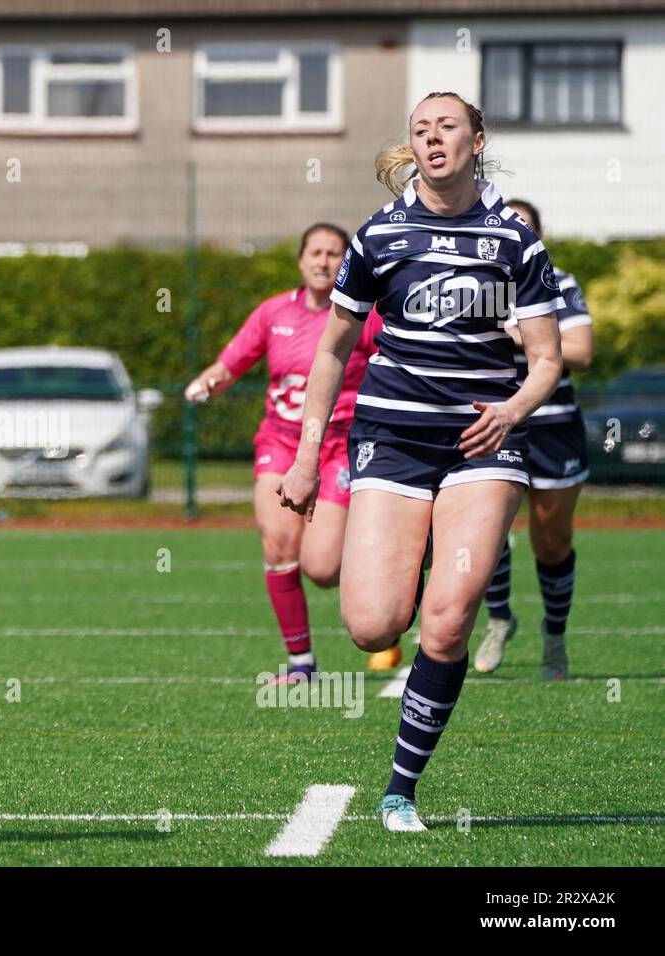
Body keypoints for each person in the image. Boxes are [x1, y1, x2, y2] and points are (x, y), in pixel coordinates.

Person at [279, 91, 564, 832]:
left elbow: (545, 359)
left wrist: (512, 409)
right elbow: (334, 348)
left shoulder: (513, 241)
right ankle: (424, 542)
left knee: (446, 623)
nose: (434, 139)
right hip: (393, 439)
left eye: (448, 127)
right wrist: (310, 457)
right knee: (375, 626)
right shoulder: (380, 236)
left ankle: (401, 789)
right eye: (421, 130)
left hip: (484, 444)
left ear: (476, 139)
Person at [185, 224, 381, 681]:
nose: (324, 261)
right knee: (277, 546)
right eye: (316, 252)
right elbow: (232, 362)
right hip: (280, 442)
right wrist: (209, 382)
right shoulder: (273, 313)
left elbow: (398, 360)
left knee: (322, 567)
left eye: (335, 254)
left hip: (338, 446)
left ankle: (390, 568)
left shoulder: (361, 316)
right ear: (300, 260)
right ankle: (301, 665)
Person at [475, 199, 592, 680]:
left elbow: (580, 351)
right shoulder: (475, 281)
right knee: (485, 531)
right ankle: (500, 618)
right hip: (494, 421)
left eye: (525, 225)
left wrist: (523, 334)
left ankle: (555, 636)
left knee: (551, 542)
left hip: (553, 425)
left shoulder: (557, 282)